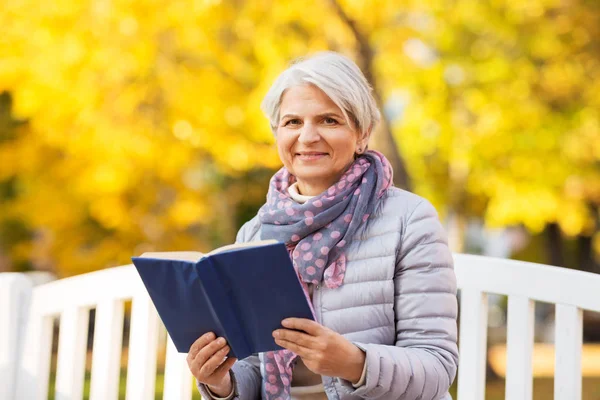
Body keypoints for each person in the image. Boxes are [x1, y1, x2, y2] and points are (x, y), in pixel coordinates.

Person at [186, 51, 458, 400]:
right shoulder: (255, 233)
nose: (308, 136)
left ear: (362, 134)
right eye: (292, 122)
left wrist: (353, 362)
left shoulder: (409, 220)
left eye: (329, 120)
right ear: (277, 133)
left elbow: (437, 367)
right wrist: (221, 382)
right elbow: (254, 367)